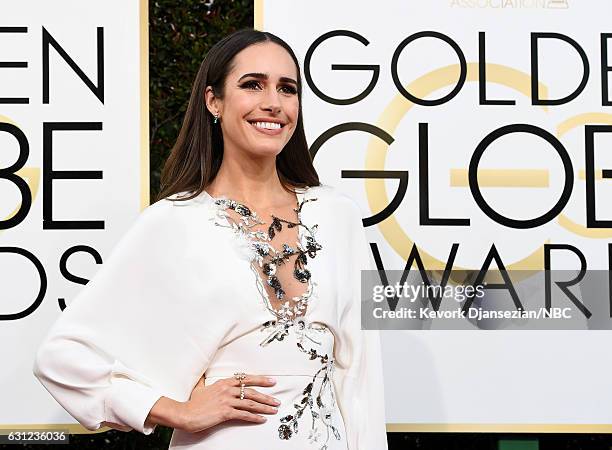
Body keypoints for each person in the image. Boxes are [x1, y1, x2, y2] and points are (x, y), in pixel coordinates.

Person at [32, 28, 388, 450]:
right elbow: (61, 358)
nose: (273, 102)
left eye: (287, 89)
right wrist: (172, 410)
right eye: (252, 84)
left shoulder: (338, 215)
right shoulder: (174, 221)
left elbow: (360, 373)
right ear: (213, 101)